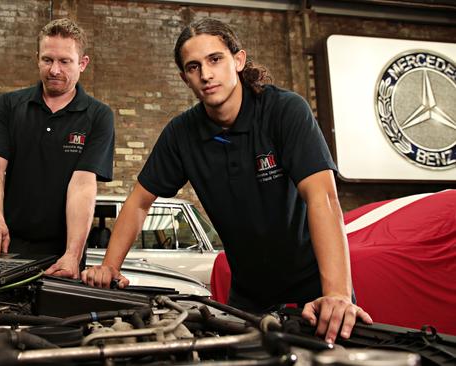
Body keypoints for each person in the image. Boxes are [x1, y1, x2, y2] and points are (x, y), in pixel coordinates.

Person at [81, 18, 372, 344]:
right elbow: (138, 203)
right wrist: (109, 267)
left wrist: (336, 293)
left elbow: (324, 198)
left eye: (214, 59)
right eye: (194, 67)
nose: (205, 74)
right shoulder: (181, 134)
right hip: (250, 289)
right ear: (184, 78)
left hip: (314, 280)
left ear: (239, 60)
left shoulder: (285, 111)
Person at [0, 18, 115, 279]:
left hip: (62, 252)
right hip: (6, 245)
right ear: (37, 59)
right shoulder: (9, 105)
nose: (54, 70)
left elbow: (83, 185)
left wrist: (73, 254)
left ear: (82, 64)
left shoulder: (98, 116)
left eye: (65, 61)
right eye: (47, 60)